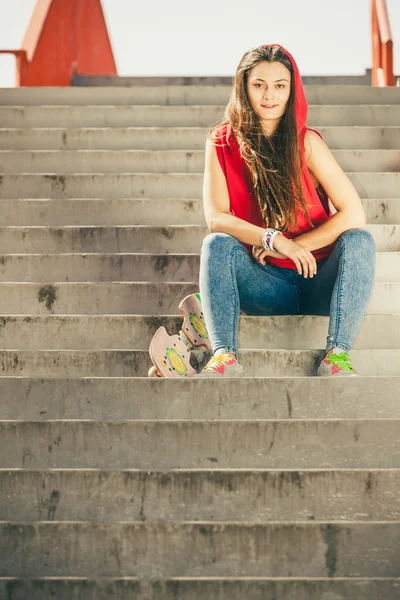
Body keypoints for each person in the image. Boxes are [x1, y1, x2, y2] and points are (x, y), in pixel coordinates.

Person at [196, 43, 376, 378]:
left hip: (320, 278)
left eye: (280, 85)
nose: (269, 95)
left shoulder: (307, 143)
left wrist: (299, 245)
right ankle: (223, 356)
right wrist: (275, 240)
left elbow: (353, 212)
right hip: (265, 283)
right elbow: (216, 218)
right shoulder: (221, 142)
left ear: (291, 90)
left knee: (360, 239)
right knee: (216, 244)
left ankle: (337, 355)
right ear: (243, 87)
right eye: (259, 84)